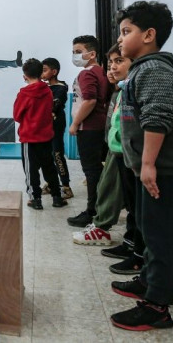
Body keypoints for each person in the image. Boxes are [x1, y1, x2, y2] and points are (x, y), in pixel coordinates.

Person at [109, 1, 173, 331]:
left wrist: (147, 164)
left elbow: (158, 117)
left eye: (126, 32)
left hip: (163, 169)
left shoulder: (155, 69)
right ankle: (148, 280)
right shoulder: (142, 68)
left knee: (160, 235)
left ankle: (158, 307)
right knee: (147, 226)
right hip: (150, 168)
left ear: (149, 35)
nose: (120, 39)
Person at [72, 45, 145, 277]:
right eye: (111, 62)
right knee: (123, 198)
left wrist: (74, 124)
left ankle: (100, 223)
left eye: (119, 61)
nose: (112, 67)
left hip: (126, 152)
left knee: (108, 187)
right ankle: (129, 244)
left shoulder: (91, 75)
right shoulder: (119, 90)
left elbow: (90, 100)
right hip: (118, 148)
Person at [13, 58, 68, 210]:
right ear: (40, 73)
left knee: (31, 170)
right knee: (49, 167)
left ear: (25, 75)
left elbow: (17, 116)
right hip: (46, 136)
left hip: (29, 138)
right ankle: (57, 197)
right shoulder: (48, 91)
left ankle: (35, 199)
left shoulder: (24, 94)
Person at [66, 35, 109, 227]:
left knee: (91, 171)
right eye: (74, 52)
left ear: (91, 54)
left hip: (89, 128)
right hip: (98, 127)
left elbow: (90, 100)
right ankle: (98, 208)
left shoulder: (87, 74)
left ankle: (92, 212)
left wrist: (75, 123)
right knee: (95, 171)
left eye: (78, 52)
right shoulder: (100, 71)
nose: (75, 55)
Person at [40, 58, 73, 199]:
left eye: (44, 70)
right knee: (46, 156)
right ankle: (50, 183)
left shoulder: (61, 87)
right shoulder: (44, 87)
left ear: (54, 72)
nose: (42, 73)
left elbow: (55, 105)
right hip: (45, 125)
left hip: (56, 125)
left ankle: (66, 187)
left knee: (57, 154)